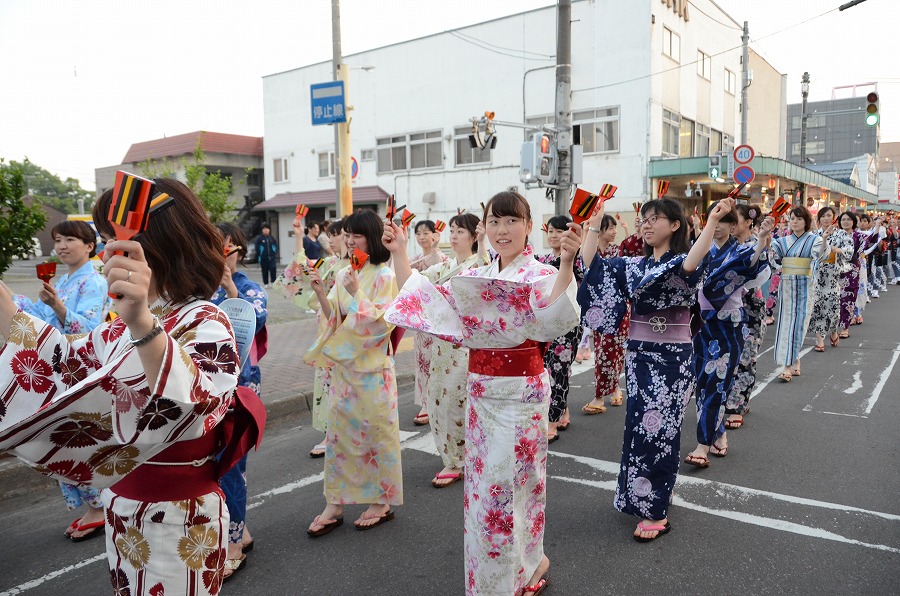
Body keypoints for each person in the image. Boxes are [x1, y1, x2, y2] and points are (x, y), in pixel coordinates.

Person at [0, 179, 249, 596]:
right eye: (109, 242)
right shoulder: (121, 327)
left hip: (180, 513)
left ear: (157, 245)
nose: (107, 253)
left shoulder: (205, 319)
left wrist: (142, 323)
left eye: (115, 240)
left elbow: (198, 406)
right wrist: (8, 312)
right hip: (123, 507)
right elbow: (67, 363)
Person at [385, 191, 580, 596]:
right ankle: (510, 572)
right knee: (483, 491)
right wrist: (400, 251)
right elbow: (427, 299)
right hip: (480, 391)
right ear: (484, 228)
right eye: (494, 221)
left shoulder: (537, 273)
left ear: (529, 226)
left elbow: (554, 318)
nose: (502, 230)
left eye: (512, 221)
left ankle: (519, 573)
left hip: (520, 393)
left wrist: (565, 262)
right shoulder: (475, 273)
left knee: (513, 487)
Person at [579, 197, 728, 542]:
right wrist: (593, 223)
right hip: (638, 355)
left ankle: (656, 511)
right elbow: (593, 267)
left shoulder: (680, 261)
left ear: (675, 225)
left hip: (672, 359)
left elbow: (692, 262)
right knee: (638, 428)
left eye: (654, 219)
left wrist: (710, 222)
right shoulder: (634, 265)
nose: (645, 225)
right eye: (643, 219)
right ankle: (646, 493)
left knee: (659, 431)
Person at [2, 219, 110, 541]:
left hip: (78, 366)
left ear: (90, 246)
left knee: (76, 437)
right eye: (58, 240)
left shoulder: (94, 282)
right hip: (59, 366)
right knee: (65, 436)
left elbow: (90, 328)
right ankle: (95, 506)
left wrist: (59, 307)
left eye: (69, 240)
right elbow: (39, 314)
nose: (61, 246)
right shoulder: (64, 281)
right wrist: (11, 297)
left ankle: (99, 507)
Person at [304, 209, 402, 535]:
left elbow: (382, 323)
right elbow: (334, 316)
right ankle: (335, 501)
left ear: (370, 239)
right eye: (347, 234)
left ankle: (382, 500)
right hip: (346, 370)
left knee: (377, 438)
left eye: (355, 235)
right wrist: (321, 291)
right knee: (340, 439)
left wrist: (358, 291)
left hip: (373, 370)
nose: (349, 240)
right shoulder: (347, 270)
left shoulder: (384, 275)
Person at [684, 204, 772, 468]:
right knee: (702, 382)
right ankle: (718, 433)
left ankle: (702, 444)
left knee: (717, 382)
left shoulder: (742, 251)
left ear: (734, 226)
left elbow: (752, 266)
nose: (720, 226)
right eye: (716, 220)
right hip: (701, 323)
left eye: (725, 221)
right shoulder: (701, 250)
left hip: (728, 325)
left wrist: (762, 243)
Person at [413, 212, 489, 487]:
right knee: (437, 400)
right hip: (441, 346)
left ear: (473, 235)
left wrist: (483, 243)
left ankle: (458, 461)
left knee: (459, 401)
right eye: (453, 230)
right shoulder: (443, 268)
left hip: (466, 345)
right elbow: (414, 282)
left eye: (460, 231)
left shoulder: (479, 264)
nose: (454, 235)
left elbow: (485, 270)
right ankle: (455, 457)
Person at [210, 222, 268, 579]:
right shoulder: (199, 289)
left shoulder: (249, 288)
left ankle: (233, 543)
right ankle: (239, 530)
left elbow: (257, 319)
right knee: (213, 464)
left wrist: (230, 286)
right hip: (208, 385)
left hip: (240, 385)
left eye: (224, 249)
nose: (218, 257)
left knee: (231, 465)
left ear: (237, 252)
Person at [274, 218, 349, 457]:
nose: (332, 239)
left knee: (342, 383)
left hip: (346, 329)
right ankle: (331, 433)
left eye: (336, 234)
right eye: (331, 234)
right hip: (327, 326)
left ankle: (340, 433)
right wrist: (298, 236)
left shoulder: (356, 267)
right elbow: (302, 268)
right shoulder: (330, 262)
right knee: (327, 381)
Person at [536, 215, 583, 442]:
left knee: (558, 369)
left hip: (568, 321)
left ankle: (552, 419)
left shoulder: (576, 259)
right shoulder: (542, 260)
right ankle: (562, 409)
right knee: (552, 368)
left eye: (559, 231)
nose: (554, 235)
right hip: (548, 320)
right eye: (551, 231)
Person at [724, 205, 769, 430]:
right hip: (724, 309)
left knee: (745, 357)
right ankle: (733, 400)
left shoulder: (756, 244)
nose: (731, 225)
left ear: (748, 222)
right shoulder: (725, 245)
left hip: (749, 308)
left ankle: (736, 406)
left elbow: (758, 275)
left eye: (735, 220)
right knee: (727, 357)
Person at [771, 206, 828, 382]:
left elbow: (820, 255)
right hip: (787, 285)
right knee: (786, 323)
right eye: (792, 218)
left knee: (799, 324)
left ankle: (790, 362)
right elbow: (772, 257)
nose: (794, 222)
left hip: (805, 286)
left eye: (799, 219)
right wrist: (765, 239)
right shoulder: (782, 241)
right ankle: (791, 362)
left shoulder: (814, 239)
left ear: (806, 222)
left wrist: (825, 239)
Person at [580, 213, 629, 414]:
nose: (614, 232)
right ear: (600, 231)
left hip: (620, 308)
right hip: (599, 311)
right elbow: (584, 265)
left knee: (616, 352)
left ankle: (610, 390)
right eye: (610, 228)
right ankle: (604, 393)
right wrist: (585, 232)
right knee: (603, 352)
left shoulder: (618, 251)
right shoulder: (592, 250)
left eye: (615, 228)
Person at [409, 219, 449, 426]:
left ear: (436, 235)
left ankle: (438, 400)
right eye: (419, 233)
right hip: (421, 318)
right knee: (422, 361)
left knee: (437, 361)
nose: (422, 237)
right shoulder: (414, 260)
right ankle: (425, 402)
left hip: (438, 319)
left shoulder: (443, 258)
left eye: (426, 232)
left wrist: (434, 249)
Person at [809, 207, 847, 352]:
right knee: (817, 305)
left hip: (833, 275)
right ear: (819, 219)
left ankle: (833, 330)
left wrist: (837, 250)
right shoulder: (814, 235)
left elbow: (849, 251)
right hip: (817, 274)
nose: (826, 218)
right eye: (823, 216)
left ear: (834, 217)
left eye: (828, 216)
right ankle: (819, 339)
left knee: (833, 307)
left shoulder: (841, 234)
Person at [836, 212, 879, 339]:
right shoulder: (835, 235)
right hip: (835, 270)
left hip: (852, 270)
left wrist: (877, 225)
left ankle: (845, 327)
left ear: (854, 221)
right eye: (843, 219)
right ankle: (833, 327)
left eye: (849, 219)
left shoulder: (859, 236)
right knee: (834, 299)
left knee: (848, 299)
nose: (845, 222)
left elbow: (872, 241)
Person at [256, 223, 278, 287]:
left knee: (273, 269)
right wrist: (260, 255)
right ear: (262, 230)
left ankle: (273, 281)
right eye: (264, 229)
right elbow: (257, 248)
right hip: (263, 257)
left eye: (267, 229)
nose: (265, 230)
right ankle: (266, 283)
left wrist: (274, 252)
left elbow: (275, 246)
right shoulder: (259, 239)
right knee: (264, 270)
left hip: (271, 257)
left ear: (269, 230)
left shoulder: (272, 238)